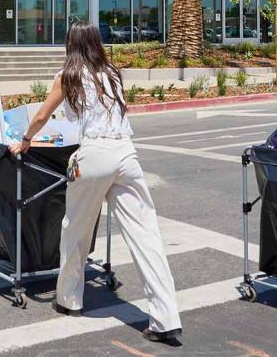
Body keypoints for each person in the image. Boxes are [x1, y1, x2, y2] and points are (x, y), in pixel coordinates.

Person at [11, 22, 182, 344]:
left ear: (70, 45)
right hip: (126, 155)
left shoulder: (68, 76)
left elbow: (41, 115)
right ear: (96, 43)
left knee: (76, 229)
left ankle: (70, 299)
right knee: (146, 235)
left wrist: (25, 140)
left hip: (93, 156)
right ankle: (166, 317)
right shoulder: (112, 73)